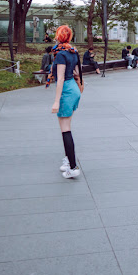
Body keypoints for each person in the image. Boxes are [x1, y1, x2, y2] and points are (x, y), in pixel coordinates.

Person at [51, 25, 84, 179]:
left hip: (67, 90)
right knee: (66, 126)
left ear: (58, 37)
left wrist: (56, 102)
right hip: (74, 89)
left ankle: (72, 166)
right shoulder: (73, 51)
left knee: (65, 129)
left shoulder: (61, 55)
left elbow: (60, 79)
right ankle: (68, 160)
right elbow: (77, 72)